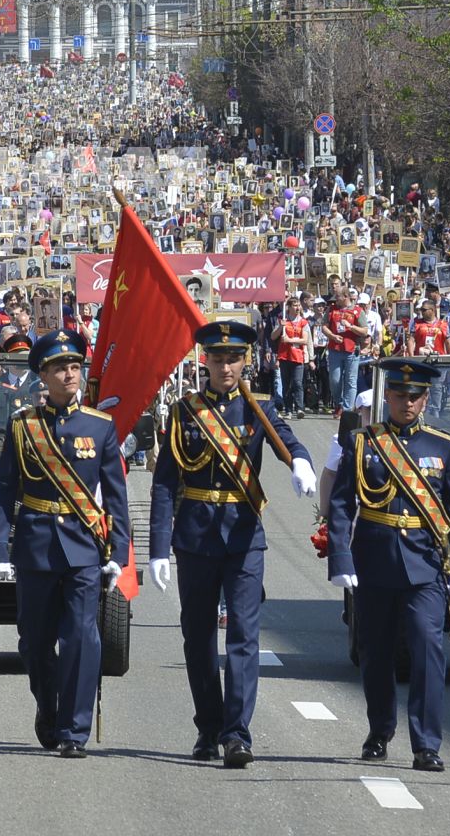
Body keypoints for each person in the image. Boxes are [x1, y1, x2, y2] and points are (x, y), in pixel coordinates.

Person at [148, 319, 316, 768]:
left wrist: (301, 463)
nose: (226, 367)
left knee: (243, 634)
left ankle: (237, 733)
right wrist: (158, 547)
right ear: (206, 361)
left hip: (243, 534)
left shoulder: (258, 408)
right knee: (198, 635)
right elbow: (165, 484)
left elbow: (290, 443)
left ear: (246, 362)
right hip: (196, 534)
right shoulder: (186, 412)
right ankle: (209, 724)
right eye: (219, 359)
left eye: (234, 359)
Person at [0, 330, 129, 758]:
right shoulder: (23, 426)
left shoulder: (100, 427)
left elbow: (115, 495)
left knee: (82, 637)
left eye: (75, 367)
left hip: (83, 546)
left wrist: (118, 553)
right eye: (60, 368)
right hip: (35, 544)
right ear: (42, 375)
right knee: (33, 640)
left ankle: (73, 729)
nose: (70, 374)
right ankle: (48, 708)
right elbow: (4, 489)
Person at [327, 357, 450, 773]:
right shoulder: (363, 442)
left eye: (415, 396)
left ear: (425, 400)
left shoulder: (441, 447)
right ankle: (379, 732)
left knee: (428, 648)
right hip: (374, 561)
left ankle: (426, 744)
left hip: (425, 565)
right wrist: (341, 556)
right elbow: (341, 506)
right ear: (387, 396)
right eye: (399, 395)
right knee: (375, 651)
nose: (406, 403)